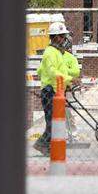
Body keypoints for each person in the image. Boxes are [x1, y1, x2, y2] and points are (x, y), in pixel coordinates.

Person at [33, 21, 72, 154]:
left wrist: (68, 82)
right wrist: (68, 79)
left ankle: (46, 145)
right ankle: (43, 144)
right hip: (50, 91)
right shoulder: (50, 52)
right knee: (52, 121)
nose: (64, 39)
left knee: (54, 121)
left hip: (56, 90)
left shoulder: (56, 52)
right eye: (62, 36)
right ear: (55, 37)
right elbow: (51, 71)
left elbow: (40, 70)